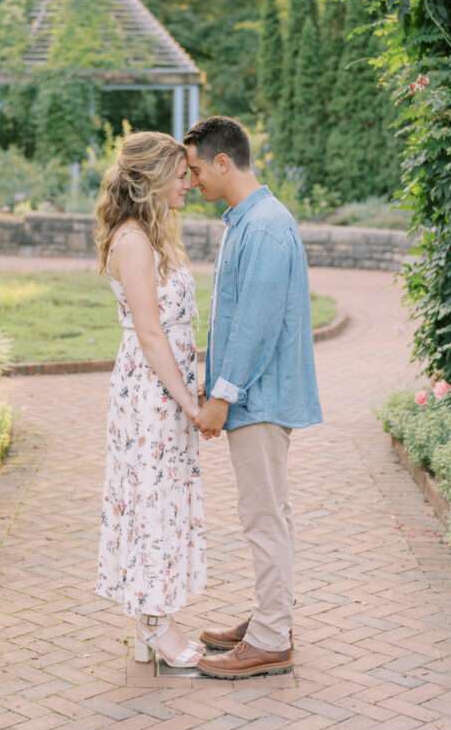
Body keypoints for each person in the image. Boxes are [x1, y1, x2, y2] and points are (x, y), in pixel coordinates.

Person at [184, 115, 324, 679]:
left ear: (223, 161)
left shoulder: (264, 226)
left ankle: (270, 638)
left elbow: (257, 325)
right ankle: (271, 617)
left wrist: (222, 395)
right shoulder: (247, 221)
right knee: (269, 514)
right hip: (251, 395)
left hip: (256, 398)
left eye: (195, 169)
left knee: (263, 517)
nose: (191, 181)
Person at [94, 130, 207, 668]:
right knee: (151, 504)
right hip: (151, 393)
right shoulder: (134, 241)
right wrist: (188, 401)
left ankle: (151, 624)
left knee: (161, 499)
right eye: (181, 174)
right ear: (153, 179)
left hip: (168, 385)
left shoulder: (154, 236)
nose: (189, 181)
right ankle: (158, 624)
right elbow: (150, 332)